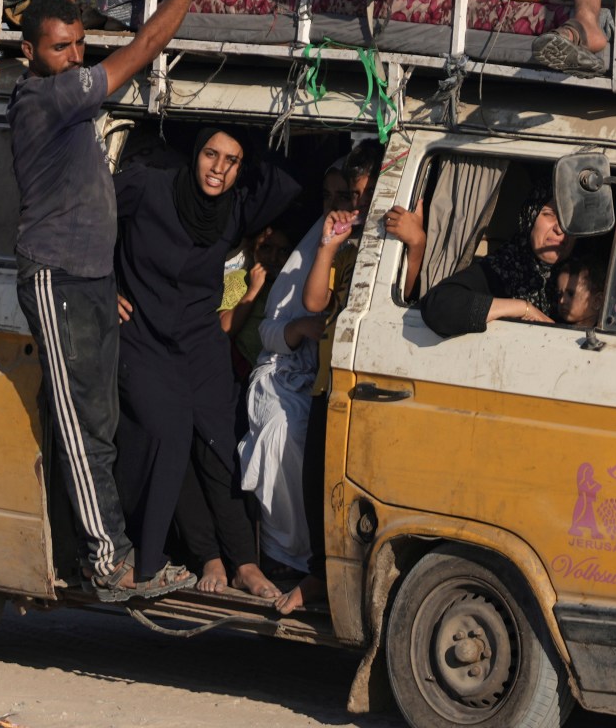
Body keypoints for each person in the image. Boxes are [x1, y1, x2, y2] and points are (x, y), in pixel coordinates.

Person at [10, 0, 214, 602]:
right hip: (57, 277)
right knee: (82, 426)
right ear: (29, 55)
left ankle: (121, 554)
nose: (75, 55)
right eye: (61, 49)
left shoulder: (55, 72)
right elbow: (147, 46)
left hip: (91, 280)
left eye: (78, 44)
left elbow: (56, 17)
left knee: (104, 422)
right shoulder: (52, 98)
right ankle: (108, 564)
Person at [114, 125, 300, 601]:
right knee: (169, 436)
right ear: (195, 152)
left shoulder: (234, 207)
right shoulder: (148, 185)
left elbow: (287, 176)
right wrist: (103, 286)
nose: (218, 168)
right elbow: (87, 219)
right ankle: (187, 557)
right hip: (145, 333)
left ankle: (244, 562)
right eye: (211, 154)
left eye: (232, 160)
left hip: (200, 339)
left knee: (219, 445)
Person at [238, 148, 378, 616]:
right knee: (283, 432)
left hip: (337, 373)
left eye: (353, 197)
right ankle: (283, 557)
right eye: (335, 196)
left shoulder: (372, 239)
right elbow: (277, 328)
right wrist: (299, 330)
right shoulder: (322, 242)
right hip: (288, 372)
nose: (345, 206)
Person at [416, 198, 577, 339]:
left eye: (571, 219)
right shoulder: (501, 269)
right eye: (550, 214)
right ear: (531, 216)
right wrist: (523, 308)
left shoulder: (586, 278)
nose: (560, 228)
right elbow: (439, 306)